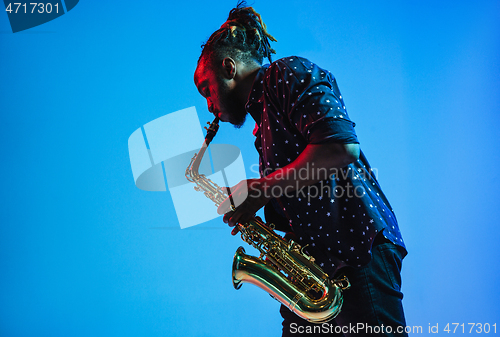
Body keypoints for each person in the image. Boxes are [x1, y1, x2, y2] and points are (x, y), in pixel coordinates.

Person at [194, 2, 408, 336]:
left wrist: (263, 189)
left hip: (356, 254)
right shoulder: (262, 124)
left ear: (228, 67)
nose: (209, 104)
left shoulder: (285, 73)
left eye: (207, 89)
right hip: (317, 278)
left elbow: (341, 147)